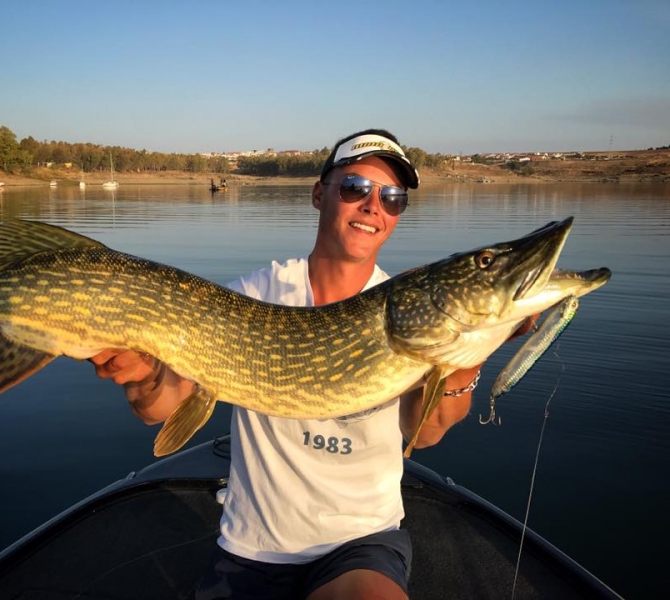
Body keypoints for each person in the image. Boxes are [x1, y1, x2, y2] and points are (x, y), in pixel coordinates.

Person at [91, 129, 525, 599]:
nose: (373, 206)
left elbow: (425, 433)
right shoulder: (252, 296)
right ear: (320, 194)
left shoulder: (406, 308)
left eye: (393, 197)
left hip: (362, 541)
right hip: (251, 547)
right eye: (355, 187)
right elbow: (158, 408)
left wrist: (466, 356)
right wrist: (138, 375)